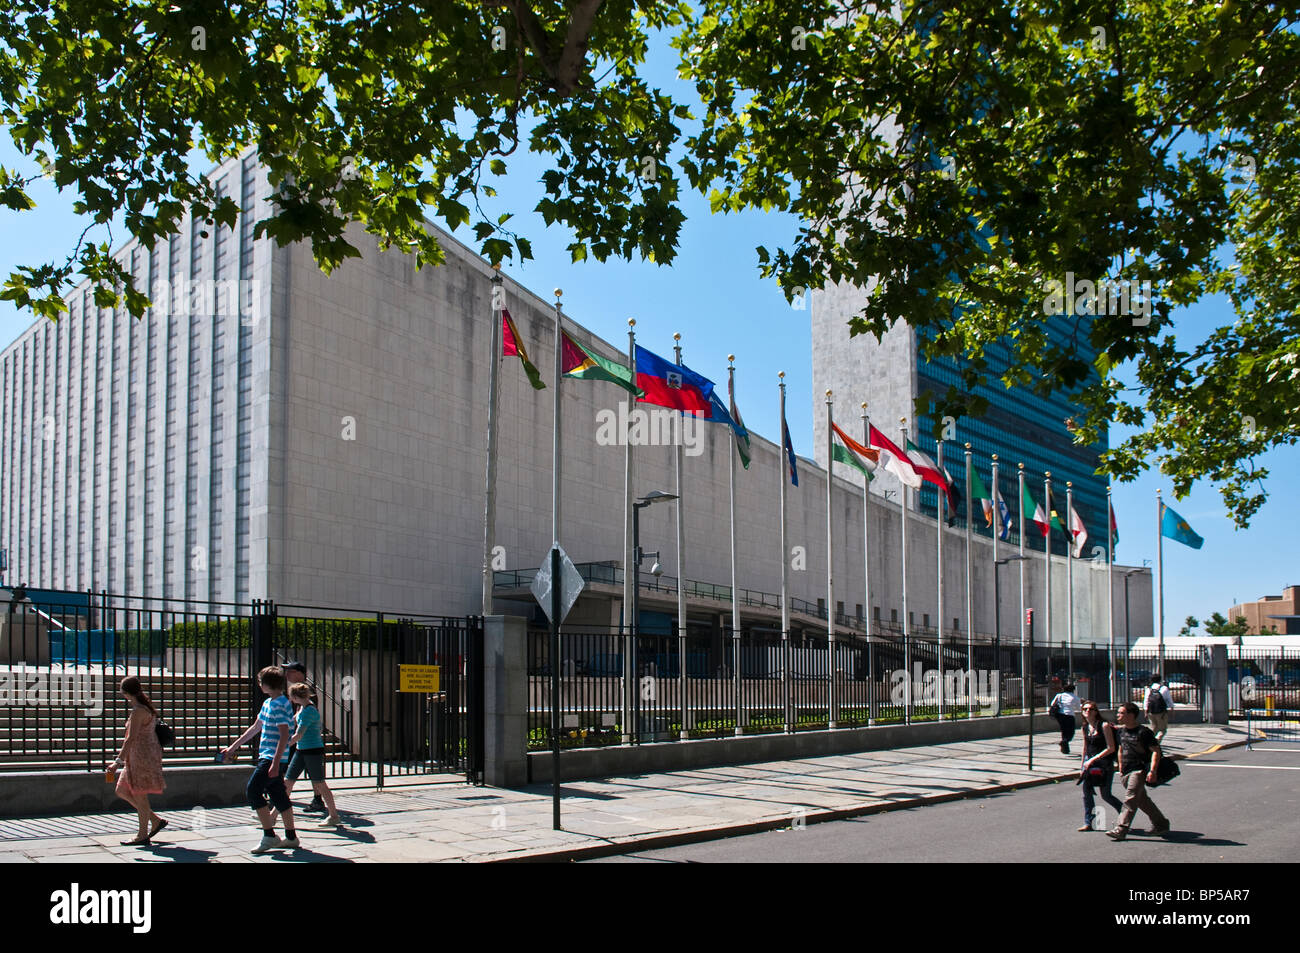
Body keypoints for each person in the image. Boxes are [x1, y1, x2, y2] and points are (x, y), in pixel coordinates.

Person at [221, 665, 299, 854]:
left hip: (271, 757)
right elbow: (256, 727)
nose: (258, 684)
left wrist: (275, 762)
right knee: (279, 795)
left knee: (253, 791)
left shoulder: (280, 704)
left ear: (266, 684)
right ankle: (290, 837)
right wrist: (233, 747)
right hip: (270, 756)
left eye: (260, 681)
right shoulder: (268, 703)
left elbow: (284, 735)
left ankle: (269, 835)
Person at [109, 676, 167, 846]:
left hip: (141, 758)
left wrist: (116, 762)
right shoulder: (143, 708)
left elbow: (130, 739)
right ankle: (155, 821)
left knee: (140, 796)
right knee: (122, 790)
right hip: (139, 756)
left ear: (126, 693)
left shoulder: (138, 711)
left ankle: (142, 835)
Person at [274, 683, 341, 829]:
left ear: (296, 697)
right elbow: (293, 720)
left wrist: (283, 746)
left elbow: (299, 734)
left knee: (319, 783)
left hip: (312, 750)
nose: (290, 699)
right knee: (288, 781)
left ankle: (334, 816)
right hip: (302, 750)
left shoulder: (308, 711)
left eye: (291, 696)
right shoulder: (303, 707)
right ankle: (273, 816)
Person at [1107, 701, 1171, 841]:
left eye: (1121, 713)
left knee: (1130, 798)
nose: (1118, 715)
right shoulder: (1121, 731)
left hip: (1139, 769)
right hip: (1126, 771)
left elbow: (1155, 751)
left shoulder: (1144, 732)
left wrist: (1152, 771)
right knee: (1142, 800)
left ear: (1131, 715)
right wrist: (1120, 767)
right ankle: (1161, 823)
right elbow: (1121, 749)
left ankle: (1121, 828)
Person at [284, 660, 325, 815]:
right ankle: (278, 802)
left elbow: (304, 713)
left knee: (316, 776)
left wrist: (288, 740)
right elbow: (297, 714)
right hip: (298, 740)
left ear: (300, 673)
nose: (287, 674)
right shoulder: (293, 690)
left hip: (305, 740)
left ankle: (319, 800)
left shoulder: (307, 692)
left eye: (291, 671)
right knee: (290, 774)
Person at [1077, 701, 1123, 831]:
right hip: (1090, 766)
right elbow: (1085, 748)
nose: (1088, 711)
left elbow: (1111, 748)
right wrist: (1082, 766)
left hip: (1104, 765)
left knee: (1106, 795)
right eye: (1085, 709)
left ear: (1096, 711)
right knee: (1087, 794)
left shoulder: (1104, 726)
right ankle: (1088, 822)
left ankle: (1125, 815)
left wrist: (1093, 759)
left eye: (1091, 709)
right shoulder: (1085, 727)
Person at [1048, 682, 1081, 754]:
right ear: (1073, 690)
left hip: (1060, 715)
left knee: (1064, 730)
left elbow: (1052, 704)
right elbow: (1079, 709)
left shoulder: (1059, 695)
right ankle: (1064, 741)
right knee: (1071, 732)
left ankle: (1065, 749)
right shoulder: (1075, 698)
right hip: (1069, 715)